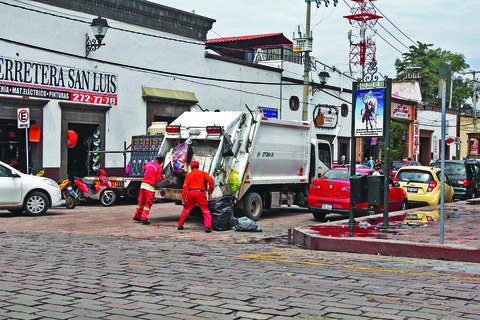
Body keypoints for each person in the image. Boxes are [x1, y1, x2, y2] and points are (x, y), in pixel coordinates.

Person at [178, 160, 214, 233]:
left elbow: (185, 186)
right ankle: (207, 227)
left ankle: (180, 225)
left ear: (191, 167)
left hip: (191, 193)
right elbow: (210, 180)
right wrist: (210, 191)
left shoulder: (189, 175)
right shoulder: (203, 173)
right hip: (200, 193)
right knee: (205, 210)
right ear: (198, 166)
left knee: (186, 209)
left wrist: (184, 197)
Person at [133, 155, 164, 225]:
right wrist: (163, 178)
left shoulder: (149, 164)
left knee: (141, 202)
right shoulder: (159, 167)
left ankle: (137, 216)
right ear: (161, 161)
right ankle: (144, 218)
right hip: (150, 187)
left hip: (143, 185)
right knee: (148, 203)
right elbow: (159, 179)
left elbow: (144, 168)